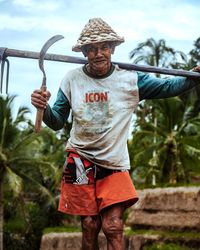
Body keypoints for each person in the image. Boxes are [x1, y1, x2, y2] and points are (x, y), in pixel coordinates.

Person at [31, 18, 200, 250]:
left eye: (103, 47)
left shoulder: (130, 79)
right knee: (89, 225)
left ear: (112, 48)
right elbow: (57, 121)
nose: (98, 53)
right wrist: (44, 107)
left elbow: (168, 87)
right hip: (80, 159)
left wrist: (192, 77)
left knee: (113, 226)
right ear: (84, 52)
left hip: (114, 162)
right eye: (91, 49)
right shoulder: (72, 79)